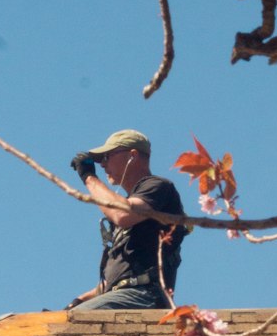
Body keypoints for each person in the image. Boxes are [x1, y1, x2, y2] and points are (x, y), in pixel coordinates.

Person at [66, 130, 187, 310]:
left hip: (145, 295)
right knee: (63, 320)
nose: (103, 165)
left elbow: (123, 215)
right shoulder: (127, 205)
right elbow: (118, 278)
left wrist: (89, 178)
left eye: (107, 156)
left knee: (72, 323)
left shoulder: (158, 187)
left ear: (133, 155)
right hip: (124, 295)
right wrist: (80, 300)